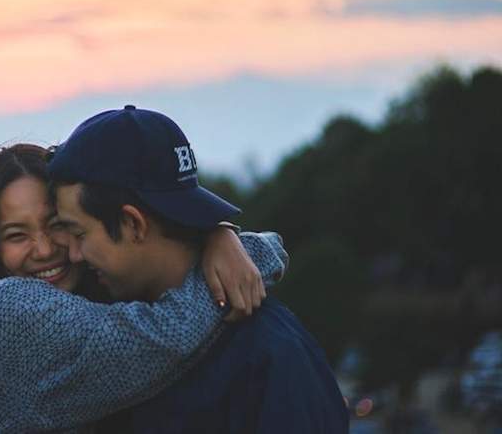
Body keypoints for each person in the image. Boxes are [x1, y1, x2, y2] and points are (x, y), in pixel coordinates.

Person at [0, 142, 290, 433]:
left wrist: (219, 234)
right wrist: (248, 249)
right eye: (17, 235)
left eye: (58, 225)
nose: (46, 249)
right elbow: (165, 333)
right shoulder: (10, 313)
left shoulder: (94, 296)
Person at [47, 105, 349, 433]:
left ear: (133, 223)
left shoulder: (270, 357)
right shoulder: (117, 331)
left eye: (79, 234)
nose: (73, 255)